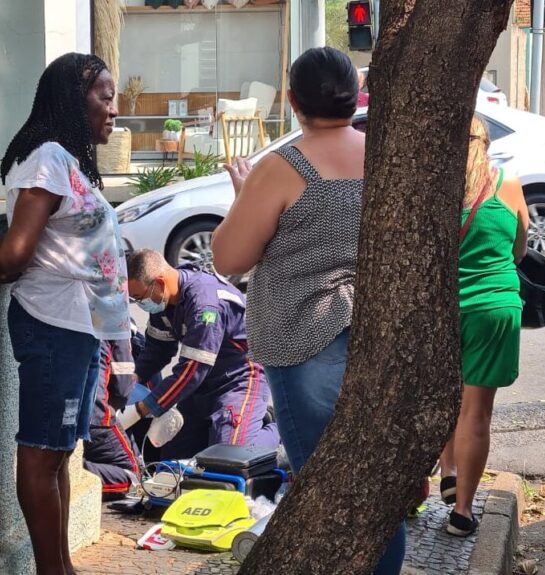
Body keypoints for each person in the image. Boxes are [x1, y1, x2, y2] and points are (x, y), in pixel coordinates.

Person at [209, 47, 405, 574]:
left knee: (327, 493)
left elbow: (228, 257)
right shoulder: (385, 153)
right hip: (378, 336)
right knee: (374, 489)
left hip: (305, 337)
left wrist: (244, 195)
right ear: (355, 93)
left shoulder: (282, 165)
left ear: (294, 101)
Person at [0, 52, 128, 575]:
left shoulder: (69, 161)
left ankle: (62, 565)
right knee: (40, 452)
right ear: (74, 100)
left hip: (80, 327)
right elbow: (15, 250)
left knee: (59, 453)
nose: (113, 111)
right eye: (104, 97)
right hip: (52, 324)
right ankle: (51, 571)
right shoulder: (47, 157)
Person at [438, 115, 529, 537]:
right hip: (494, 309)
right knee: (476, 412)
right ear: (486, 143)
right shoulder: (506, 184)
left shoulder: (433, 187)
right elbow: (521, 245)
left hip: (441, 311)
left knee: (442, 401)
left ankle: (448, 469)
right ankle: (462, 512)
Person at [118, 249, 279, 460]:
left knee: (229, 457)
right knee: (172, 460)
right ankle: (238, 426)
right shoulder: (164, 303)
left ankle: (279, 431)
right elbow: (157, 350)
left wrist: (144, 408)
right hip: (200, 387)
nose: (140, 303)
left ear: (160, 282)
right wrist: (131, 380)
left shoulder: (205, 303)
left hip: (238, 381)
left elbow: (193, 368)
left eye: (139, 297)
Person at [83, 337, 144, 500]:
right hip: (94, 418)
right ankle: (66, 472)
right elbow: (122, 389)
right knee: (132, 478)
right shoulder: (113, 321)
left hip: (51, 412)